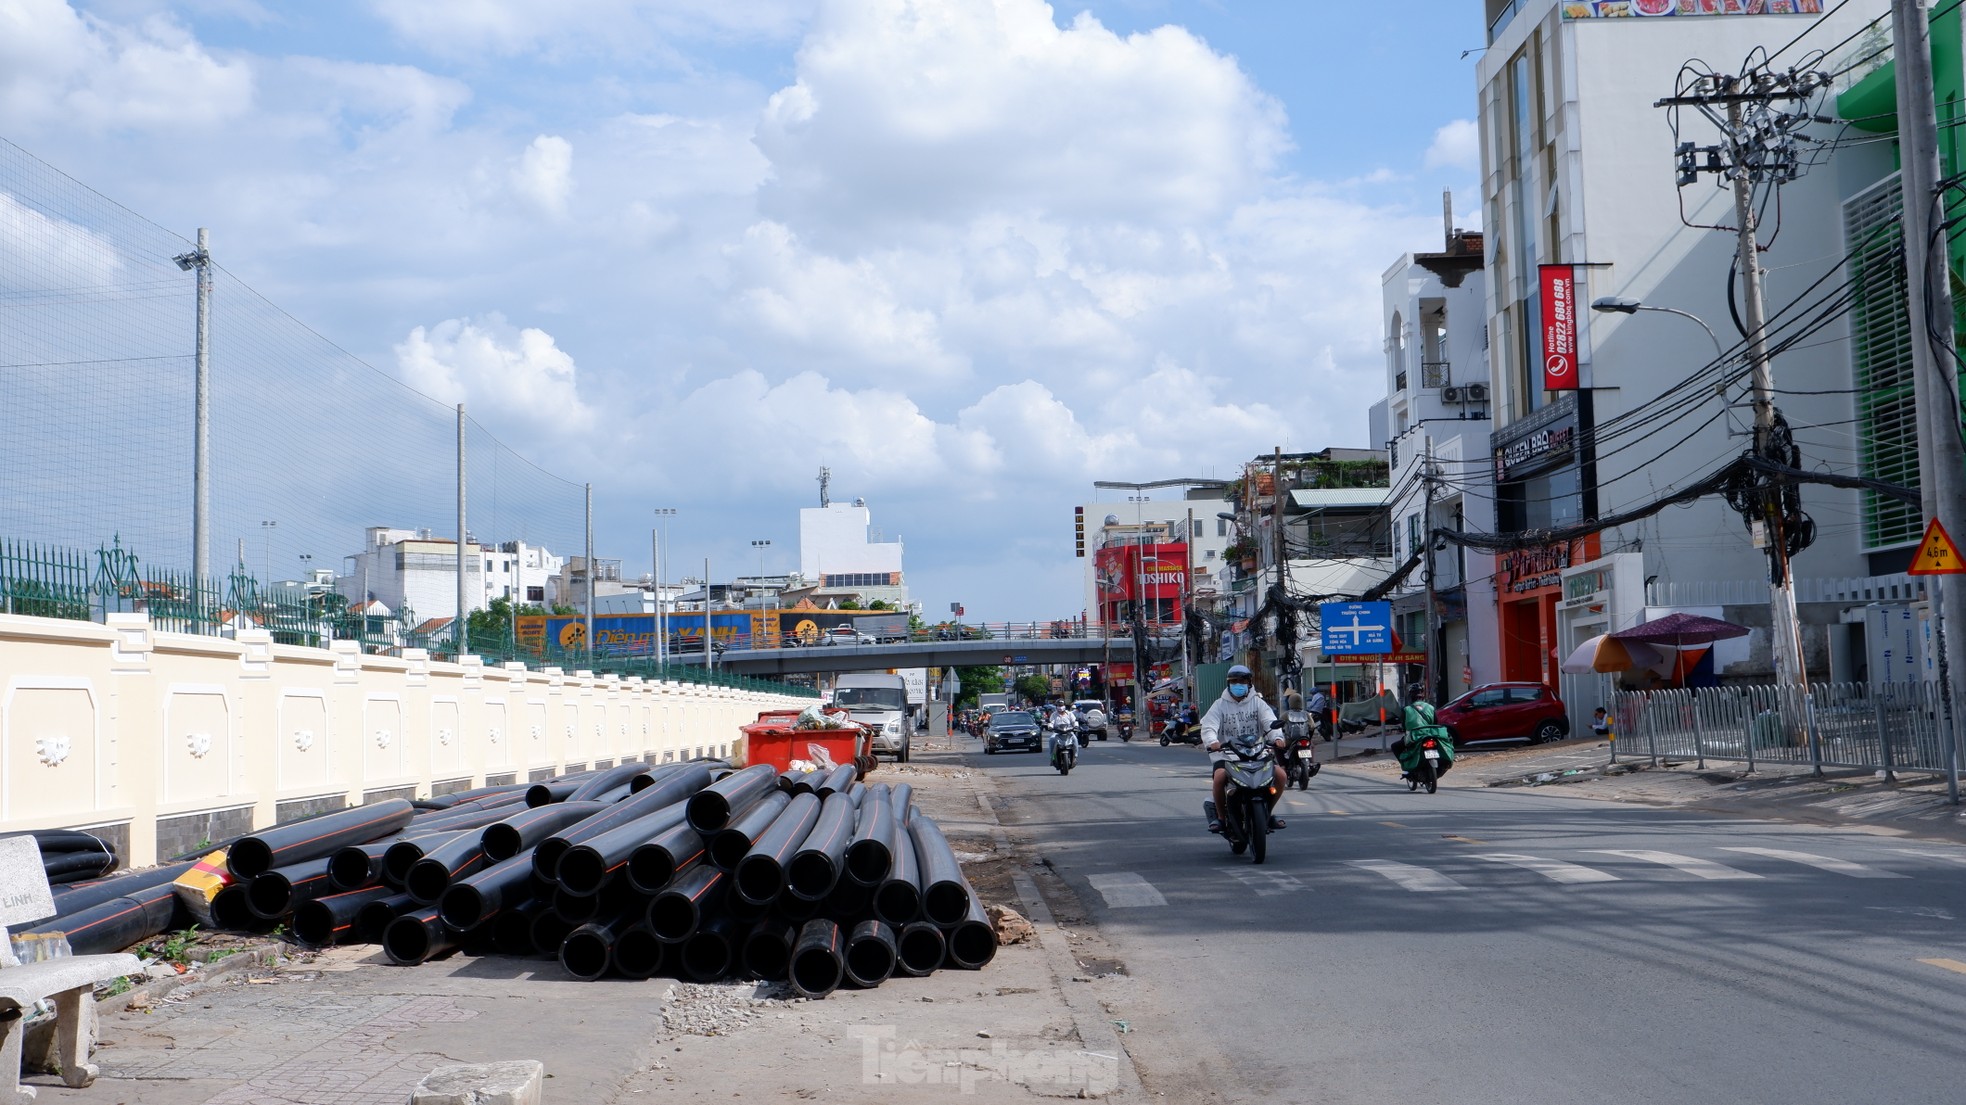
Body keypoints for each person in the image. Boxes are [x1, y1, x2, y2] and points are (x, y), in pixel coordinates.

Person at [1203, 664, 1287, 833]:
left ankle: (1267, 814)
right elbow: (1209, 726)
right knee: (1219, 778)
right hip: (1227, 756)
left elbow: (1270, 723)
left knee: (1280, 775)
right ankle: (1220, 818)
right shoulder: (1219, 705)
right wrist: (1212, 741)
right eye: (1234, 681)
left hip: (1257, 753)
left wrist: (1277, 737)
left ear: (1249, 683)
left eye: (1242, 681)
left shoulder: (1258, 703)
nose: (1238, 684)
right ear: (1228, 684)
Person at [1393, 692, 1455, 783]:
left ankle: (1406, 767)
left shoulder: (1406, 709)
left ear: (1411, 698)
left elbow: (1404, 726)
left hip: (1414, 737)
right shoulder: (1431, 707)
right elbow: (1435, 722)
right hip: (1431, 735)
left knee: (1395, 746)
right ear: (1423, 698)